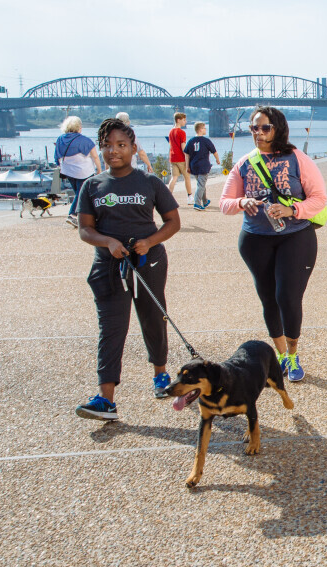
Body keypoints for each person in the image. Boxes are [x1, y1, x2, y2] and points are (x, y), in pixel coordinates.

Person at [74, 118, 182, 421]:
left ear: (134, 148)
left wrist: (150, 241)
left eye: (121, 145)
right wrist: (107, 241)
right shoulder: (92, 185)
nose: (113, 151)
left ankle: (161, 375)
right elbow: (84, 230)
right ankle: (105, 399)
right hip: (108, 267)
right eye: (107, 145)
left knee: (153, 318)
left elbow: (173, 222)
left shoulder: (149, 182)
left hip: (148, 262)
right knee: (111, 329)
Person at [220, 106, 327, 383]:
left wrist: (291, 210)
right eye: (254, 128)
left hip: (296, 237)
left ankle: (293, 354)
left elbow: (319, 198)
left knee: (287, 297)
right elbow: (224, 203)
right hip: (255, 240)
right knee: (268, 298)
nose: (258, 133)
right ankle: (281, 355)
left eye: (264, 127)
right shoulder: (244, 163)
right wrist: (241, 202)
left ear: (277, 128)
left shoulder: (297, 158)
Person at [56, 115, 103, 227]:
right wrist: (99, 170)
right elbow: (95, 157)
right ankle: (72, 215)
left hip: (68, 171)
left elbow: (57, 157)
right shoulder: (85, 140)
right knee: (81, 194)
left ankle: (83, 216)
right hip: (83, 171)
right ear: (79, 127)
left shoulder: (60, 139)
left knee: (80, 194)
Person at [185, 122, 221, 210]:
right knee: (201, 185)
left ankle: (205, 201)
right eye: (204, 128)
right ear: (200, 130)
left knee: (201, 184)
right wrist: (217, 160)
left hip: (194, 166)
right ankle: (197, 203)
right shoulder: (206, 140)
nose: (206, 130)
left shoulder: (190, 141)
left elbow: (186, 154)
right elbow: (214, 151)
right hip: (203, 166)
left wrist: (187, 166)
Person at [167, 112, 192, 200]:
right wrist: (188, 156)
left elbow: (171, 144)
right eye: (184, 120)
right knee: (187, 177)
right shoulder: (182, 132)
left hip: (173, 158)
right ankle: (190, 196)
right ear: (178, 120)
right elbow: (183, 147)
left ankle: (168, 196)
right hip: (181, 158)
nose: (185, 122)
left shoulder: (170, 132)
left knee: (174, 178)